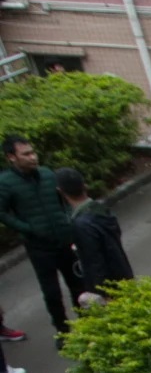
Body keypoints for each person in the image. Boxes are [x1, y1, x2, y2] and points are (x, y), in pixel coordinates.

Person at [0, 136, 81, 334]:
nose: (33, 157)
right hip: (39, 247)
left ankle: (88, 325)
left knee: (78, 284)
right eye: (26, 154)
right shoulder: (6, 183)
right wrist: (28, 228)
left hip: (64, 240)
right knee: (52, 292)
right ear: (11, 157)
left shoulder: (46, 174)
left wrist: (67, 219)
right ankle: (62, 330)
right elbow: (2, 212)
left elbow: (63, 200)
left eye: (33, 152)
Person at [55, 167, 132, 307]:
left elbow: (95, 262)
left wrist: (101, 293)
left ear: (60, 191)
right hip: (123, 274)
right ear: (84, 185)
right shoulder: (100, 210)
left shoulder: (81, 224)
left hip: (109, 288)